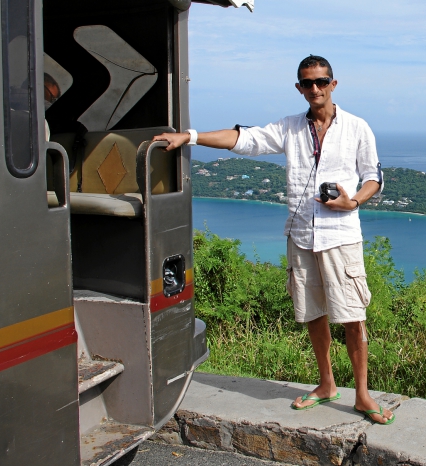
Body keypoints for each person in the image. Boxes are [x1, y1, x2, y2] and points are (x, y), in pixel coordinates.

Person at [153, 55, 394, 424]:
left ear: (334, 83)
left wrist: (353, 201)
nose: (315, 88)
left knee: (352, 316)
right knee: (313, 313)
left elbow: (373, 176)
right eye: (307, 83)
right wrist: (191, 136)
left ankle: (362, 394)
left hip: (341, 237)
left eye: (322, 81)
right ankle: (326, 384)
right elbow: (243, 139)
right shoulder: (290, 128)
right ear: (299, 88)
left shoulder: (358, 127)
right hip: (300, 236)